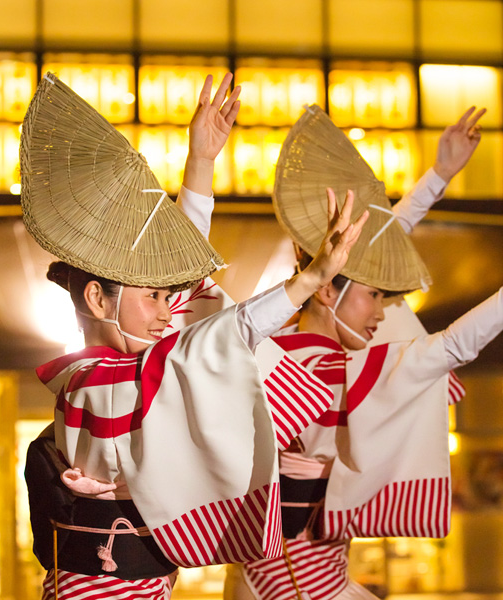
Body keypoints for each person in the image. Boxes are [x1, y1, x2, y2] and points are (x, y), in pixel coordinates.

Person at [22, 73, 367, 600]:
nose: (168, 312)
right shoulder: (98, 381)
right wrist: (309, 281)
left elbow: (188, 288)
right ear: (96, 299)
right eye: (154, 298)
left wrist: (201, 162)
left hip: (136, 578)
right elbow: (218, 334)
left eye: (166, 298)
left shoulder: (123, 366)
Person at [204, 104, 501, 600]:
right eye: (376, 297)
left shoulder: (282, 352)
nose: (382, 312)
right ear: (325, 291)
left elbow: (365, 263)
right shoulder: (320, 373)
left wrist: (439, 176)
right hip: (295, 591)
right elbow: (449, 347)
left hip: (302, 583)